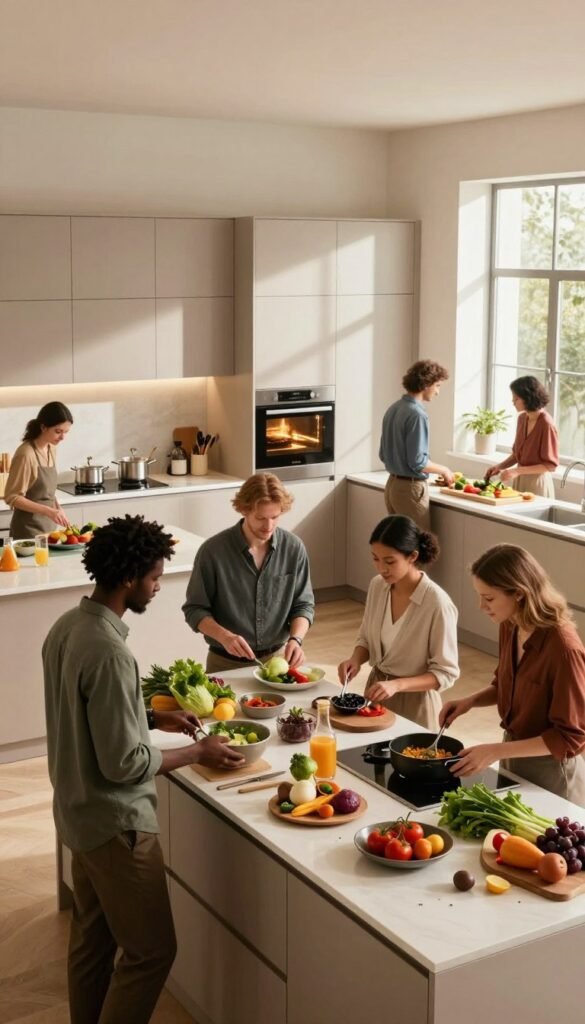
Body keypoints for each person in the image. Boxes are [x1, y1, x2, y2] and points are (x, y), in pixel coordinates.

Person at [42, 514, 245, 1024]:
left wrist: (150, 713)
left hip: (76, 815)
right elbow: (124, 763)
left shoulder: (68, 627)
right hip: (117, 829)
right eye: (155, 578)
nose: (157, 588)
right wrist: (199, 753)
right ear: (130, 577)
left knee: (92, 942)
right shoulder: (111, 652)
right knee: (151, 952)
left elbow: (80, 706)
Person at [440, 544, 585, 803]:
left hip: (552, 771)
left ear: (519, 593)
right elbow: (506, 685)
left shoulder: (564, 649)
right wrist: (470, 701)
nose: (481, 606)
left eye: (489, 598)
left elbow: (570, 737)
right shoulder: (511, 624)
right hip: (512, 753)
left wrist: (494, 751)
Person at [183, 472, 315, 674]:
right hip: (225, 664)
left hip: (278, 662)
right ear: (244, 510)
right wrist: (225, 637)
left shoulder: (293, 548)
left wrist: (296, 639)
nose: (268, 526)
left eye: (275, 517)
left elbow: (303, 605)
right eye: (260, 518)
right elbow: (195, 609)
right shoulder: (213, 551)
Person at [337, 515, 459, 730]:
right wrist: (355, 659)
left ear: (412, 556)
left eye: (390, 561)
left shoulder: (437, 604)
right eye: (375, 558)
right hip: (375, 697)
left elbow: (445, 673)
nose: (381, 568)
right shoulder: (377, 586)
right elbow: (366, 637)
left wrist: (398, 684)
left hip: (416, 706)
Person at [379, 360, 454, 530]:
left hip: (392, 486)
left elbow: (383, 454)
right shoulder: (417, 414)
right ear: (426, 384)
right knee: (419, 547)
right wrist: (444, 470)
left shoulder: (394, 408)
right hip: (410, 489)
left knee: (399, 546)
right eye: (438, 385)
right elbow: (418, 462)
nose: (438, 392)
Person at [4, 400, 73, 537]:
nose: (62, 438)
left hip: (49, 530)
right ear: (43, 427)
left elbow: (47, 493)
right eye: (58, 431)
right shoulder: (26, 454)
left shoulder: (51, 448)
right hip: (27, 532)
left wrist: (58, 509)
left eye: (66, 432)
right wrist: (48, 511)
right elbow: (12, 497)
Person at [485, 375, 559, 498]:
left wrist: (516, 471)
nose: (513, 401)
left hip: (537, 484)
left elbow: (550, 465)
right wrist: (499, 467)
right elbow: (517, 455)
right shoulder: (522, 419)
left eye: (516, 398)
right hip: (519, 480)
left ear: (528, 397)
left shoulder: (546, 424)